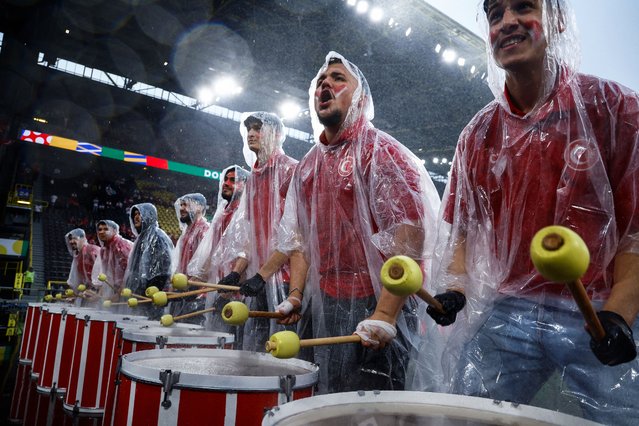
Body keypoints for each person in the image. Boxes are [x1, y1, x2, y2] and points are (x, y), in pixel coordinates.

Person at [429, 1, 639, 424]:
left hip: (596, 309)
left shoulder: (616, 109)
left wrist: (619, 313)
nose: (506, 22)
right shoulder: (478, 133)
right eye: (494, 15)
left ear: (558, 21)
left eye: (523, 6)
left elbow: (635, 233)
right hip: (511, 309)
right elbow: (464, 231)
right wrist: (455, 287)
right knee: (464, 415)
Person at [273, 52, 441, 393]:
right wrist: (295, 296)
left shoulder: (383, 152)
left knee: (369, 409)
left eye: (338, 78)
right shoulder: (306, 168)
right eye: (321, 80)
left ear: (360, 97)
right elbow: (301, 243)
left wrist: (385, 314)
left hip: (377, 301)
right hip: (325, 302)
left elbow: (409, 235)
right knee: (321, 398)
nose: (325, 84)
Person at [214, 112, 298, 351]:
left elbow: (294, 235)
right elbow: (252, 235)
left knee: (280, 350)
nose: (251, 133)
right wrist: (237, 272)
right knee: (256, 348)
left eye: (258, 128)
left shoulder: (291, 170)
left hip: (286, 280)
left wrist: (263, 275)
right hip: (257, 279)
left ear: (277, 135)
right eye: (249, 128)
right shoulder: (253, 180)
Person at [188, 165, 250, 331]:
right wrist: (197, 280)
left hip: (236, 293)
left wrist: (231, 286)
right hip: (219, 289)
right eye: (225, 179)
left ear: (245, 185)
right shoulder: (222, 214)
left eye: (233, 180)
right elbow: (214, 254)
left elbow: (247, 252)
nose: (226, 183)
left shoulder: (245, 212)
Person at [123, 203, 174, 319]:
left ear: (149, 215)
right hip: (140, 298)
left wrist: (147, 292)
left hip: (152, 298)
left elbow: (162, 271)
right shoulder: (141, 238)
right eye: (134, 214)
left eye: (139, 214)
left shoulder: (157, 237)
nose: (136, 217)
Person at [168, 193, 210, 324]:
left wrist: (192, 286)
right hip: (185, 292)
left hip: (198, 296)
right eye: (181, 205)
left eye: (185, 204)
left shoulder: (205, 229)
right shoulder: (186, 232)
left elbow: (207, 263)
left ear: (198, 207)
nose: (181, 208)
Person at [92, 220, 133, 302]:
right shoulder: (103, 250)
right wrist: (100, 295)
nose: (101, 232)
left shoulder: (121, 245)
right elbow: (107, 276)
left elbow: (130, 272)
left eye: (106, 229)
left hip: (128, 292)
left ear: (114, 231)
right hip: (117, 291)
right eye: (99, 230)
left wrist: (119, 294)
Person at [65, 228, 100, 306]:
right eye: (70, 239)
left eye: (74, 238)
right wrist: (75, 295)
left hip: (99, 296)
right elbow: (81, 280)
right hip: (88, 294)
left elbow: (104, 273)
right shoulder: (77, 257)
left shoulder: (93, 250)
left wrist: (97, 292)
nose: (71, 242)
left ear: (83, 238)